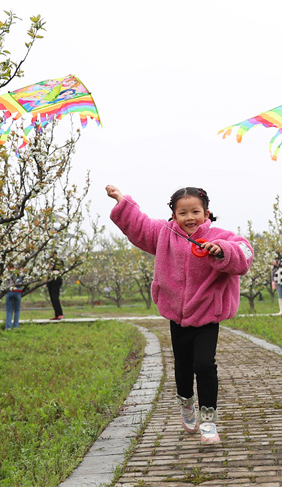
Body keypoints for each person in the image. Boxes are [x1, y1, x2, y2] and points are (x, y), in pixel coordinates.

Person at [106, 184, 254, 444]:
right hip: (177, 314)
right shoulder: (164, 234)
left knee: (204, 365)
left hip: (207, 313)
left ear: (206, 213)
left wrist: (222, 250)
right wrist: (122, 201)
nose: (189, 217)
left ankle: (208, 421)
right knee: (183, 367)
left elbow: (244, 252)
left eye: (195, 211)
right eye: (182, 213)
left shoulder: (220, 236)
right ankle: (186, 403)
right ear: (173, 215)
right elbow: (140, 225)